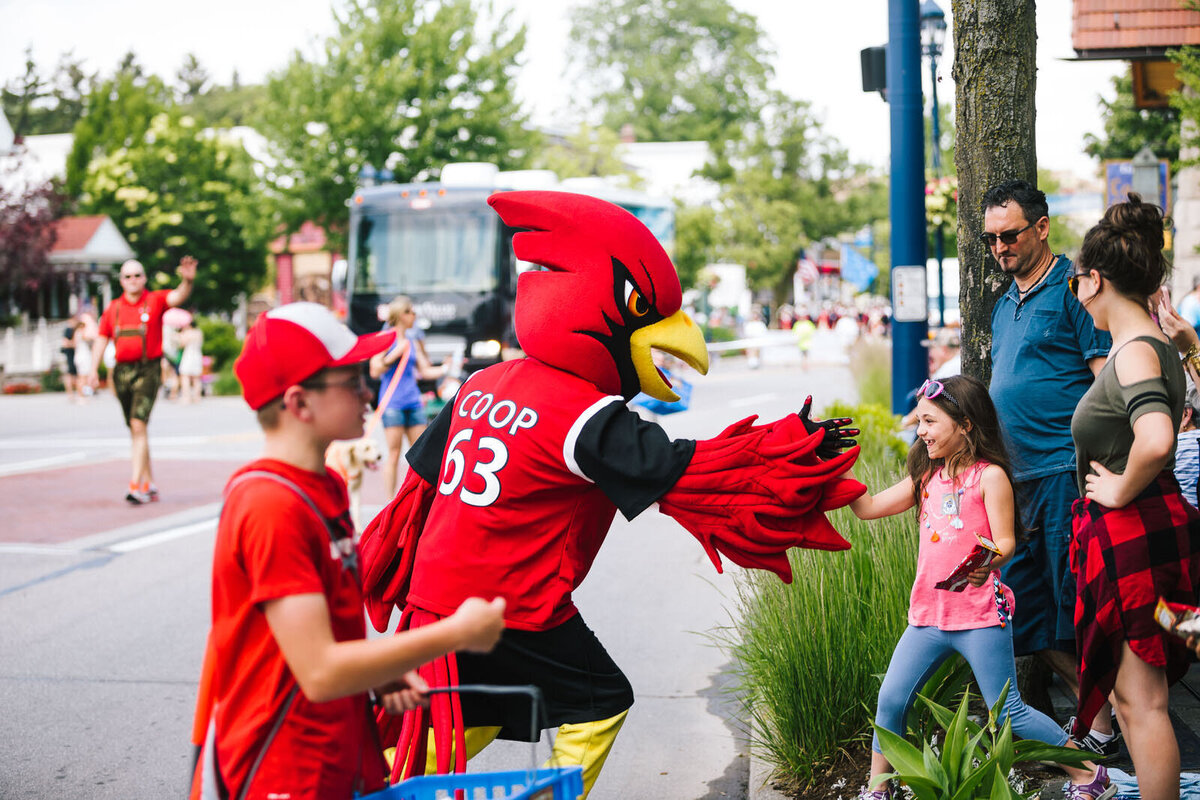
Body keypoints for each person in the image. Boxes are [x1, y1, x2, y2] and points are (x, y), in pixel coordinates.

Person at [189, 302, 506, 800]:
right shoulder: (270, 504)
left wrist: (376, 673)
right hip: (278, 767)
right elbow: (318, 671)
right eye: (353, 379)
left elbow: (325, 638)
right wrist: (456, 633)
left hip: (332, 754)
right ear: (298, 402)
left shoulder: (328, 486)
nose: (367, 391)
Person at [845, 375, 1111, 799]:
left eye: (930, 421)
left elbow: (1005, 542)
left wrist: (986, 562)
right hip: (928, 617)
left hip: (980, 618)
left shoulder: (990, 478)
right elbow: (869, 508)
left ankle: (1089, 773)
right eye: (920, 422)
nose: (921, 431)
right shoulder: (925, 477)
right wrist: (835, 468)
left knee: (1009, 713)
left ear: (965, 424)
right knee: (891, 701)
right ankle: (880, 789)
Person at [1067, 194, 1200, 800]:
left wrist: (1118, 487)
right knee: (1138, 695)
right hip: (1149, 537)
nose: (1075, 293)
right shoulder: (1153, 345)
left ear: (1095, 280)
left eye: (1075, 281)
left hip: (1137, 545)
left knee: (1141, 702)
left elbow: (1156, 437)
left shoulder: (1135, 350)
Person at [983, 180, 1116, 752]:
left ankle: (1103, 728)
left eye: (1009, 235)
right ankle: (1099, 716)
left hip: (1064, 474)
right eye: (991, 239)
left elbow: (1108, 381)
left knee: (1076, 609)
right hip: (1012, 483)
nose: (999, 247)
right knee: (1027, 614)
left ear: (1041, 227)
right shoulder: (1003, 304)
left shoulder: (1072, 292)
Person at [87, 256, 197, 504]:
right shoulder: (113, 308)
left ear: (144, 278)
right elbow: (102, 338)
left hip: (148, 370)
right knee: (136, 428)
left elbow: (178, 296)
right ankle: (149, 481)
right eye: (128, 276)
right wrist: (93, 370)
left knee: (138, 424)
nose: (133, 280)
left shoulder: (155, 300)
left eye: (137, 275)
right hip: (121, 373)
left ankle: (136, 484)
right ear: (121, 281)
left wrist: (187, 281)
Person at [369, 296, 449, 498]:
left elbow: (425, 370)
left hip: (413, 402)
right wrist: (395, 354)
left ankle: (419, 499)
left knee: (421, 452)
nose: (414, 315)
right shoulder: (385, 338)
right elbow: (374, 370)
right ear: (400, 315)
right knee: (394, 453)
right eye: (410, 311)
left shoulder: (412, 341)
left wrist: (446, 368)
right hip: (393, 403)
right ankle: (390, 501)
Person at [900, 327, 961, 430]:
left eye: (932, 348)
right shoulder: (957, 363)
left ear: (944, 350)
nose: (930, 353)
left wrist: (903, 423)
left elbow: (928, 403)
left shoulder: (947, 371)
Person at [177, 319, 205, 404]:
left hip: (188, 355)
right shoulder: (199, 332)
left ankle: (187, 397)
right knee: (196, 378)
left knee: (185, 376)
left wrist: (181, 335)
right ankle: (197, 397)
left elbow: (181, 344)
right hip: (197, 355)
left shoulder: (188, 333)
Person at [59, 319, 79, 399]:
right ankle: (70, 393)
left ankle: (72, 393)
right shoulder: (68, 330)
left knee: (72, 375)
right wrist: (75, 344)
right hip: (69, 355)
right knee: (70, 374)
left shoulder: (72, 330)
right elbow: (65, 343)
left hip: (71, 355)